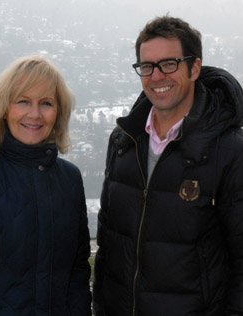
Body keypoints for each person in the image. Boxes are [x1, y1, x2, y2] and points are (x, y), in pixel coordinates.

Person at [93, 15, 243, 316]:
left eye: (169, 64)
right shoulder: (124, 141)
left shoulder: (229, 150)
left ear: (194, 68)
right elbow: (109, 242)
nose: (157, 76)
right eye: (147, 66)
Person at [0, 55, 92, 316]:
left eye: (46, 103)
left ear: (59, 112)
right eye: (23, 101)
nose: (34, 114)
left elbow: (77, 272)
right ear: (3, 107)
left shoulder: (69, 180)